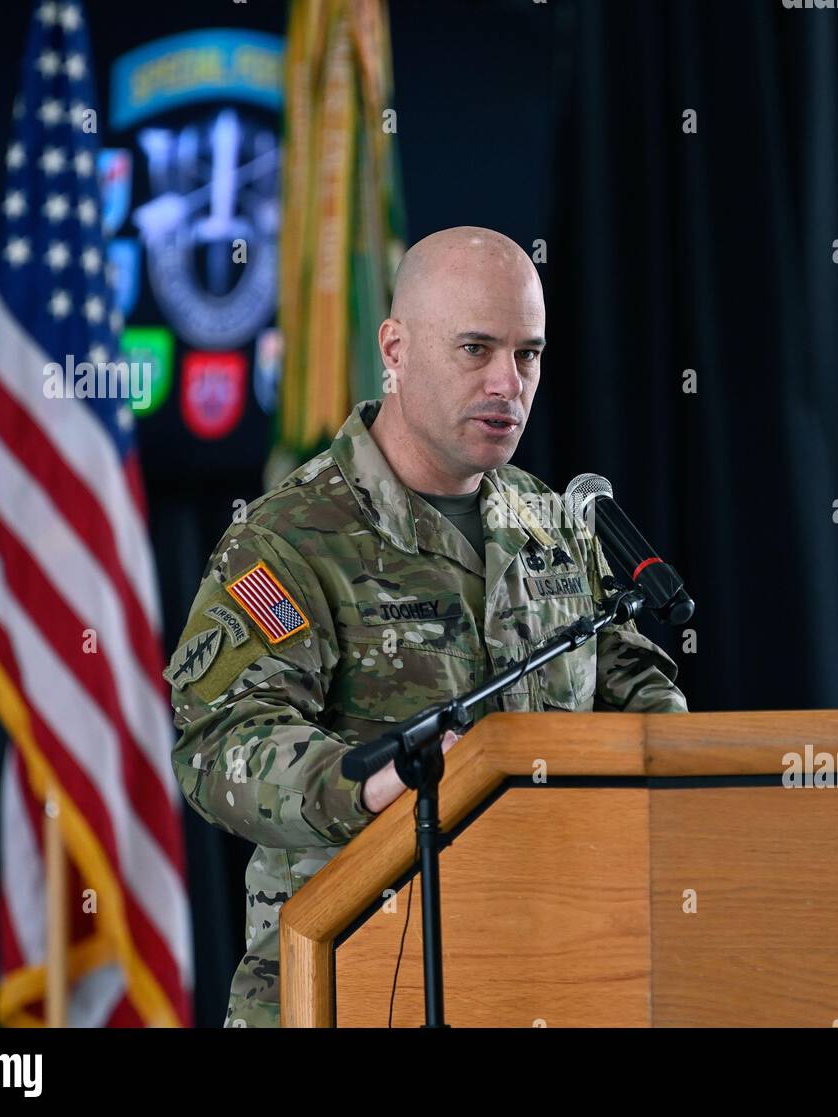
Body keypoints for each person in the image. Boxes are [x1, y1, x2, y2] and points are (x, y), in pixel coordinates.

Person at [167, 226, 688, 1027]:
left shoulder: (551, 523)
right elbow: (219, 744)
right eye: (476, 348)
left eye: (529, 355)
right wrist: (366, 782)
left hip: (549, 974)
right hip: (349, 982)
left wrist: (691, 774)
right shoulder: (290, 537)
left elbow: (632, 687)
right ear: (396, 348)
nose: (507, 383)